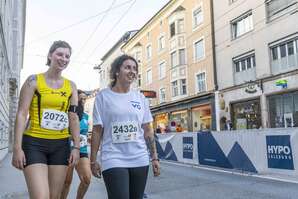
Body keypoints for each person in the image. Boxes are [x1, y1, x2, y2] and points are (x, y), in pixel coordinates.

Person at [12, 40, 80, 199]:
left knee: (54, 197)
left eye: (67, 56)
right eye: (59, 54)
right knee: (41, 196)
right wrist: (17, 147)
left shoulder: (71, 86)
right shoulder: (33, 81)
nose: (63, 58)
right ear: (50, 55)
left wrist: (76, 147)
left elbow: (73, 116)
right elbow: (22, 114)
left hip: (60, 145)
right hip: (34, 143)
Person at [90, 54, 160, 199]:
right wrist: (93, 160)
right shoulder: (103, 97)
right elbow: (97, 131)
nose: (132, 71)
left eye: (135, 68)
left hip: (139, 157)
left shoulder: (140, 98)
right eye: (127, 67)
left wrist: (154, 157)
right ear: (117, 71)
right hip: (113, 157)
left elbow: (148, 130)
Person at [60, 90, 92, 199]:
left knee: (86, 179)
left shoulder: (86, 116)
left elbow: (84, 132)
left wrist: (86, 138)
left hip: (82, 150)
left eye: (84, 99)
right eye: (80, 99)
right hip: (67, 150)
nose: (83, 101)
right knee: (66, 182)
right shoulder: (66, 113)